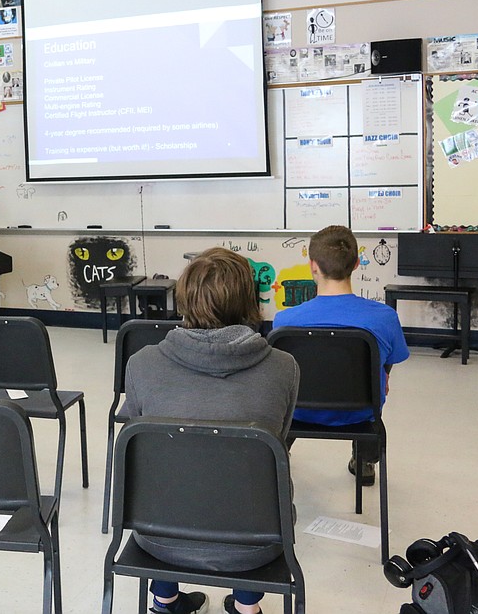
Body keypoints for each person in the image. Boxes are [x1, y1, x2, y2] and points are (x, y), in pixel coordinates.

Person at [121, 247, 299, 614]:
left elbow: (140, 453)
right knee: (242, 474)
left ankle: (165, 599)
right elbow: (279, 437)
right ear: (250, 299)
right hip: (257, 542)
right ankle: (247, 607)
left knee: (170, 465)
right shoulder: (284, 368)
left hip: (158, 536)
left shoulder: (141, 365)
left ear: (183, 298)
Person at [272, 225, 409, 485]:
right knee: (376, 418)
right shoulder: (384, 317)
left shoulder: (285, 320)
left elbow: (281, 370)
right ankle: (365, 461)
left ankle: (279, 453)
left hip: (298, 411)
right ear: (357, 264)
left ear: (313, 265)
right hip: (361, 411)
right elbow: (388, 364)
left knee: (281, 405)